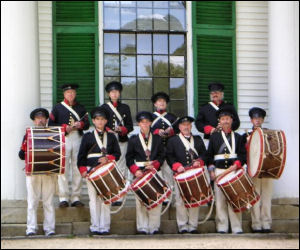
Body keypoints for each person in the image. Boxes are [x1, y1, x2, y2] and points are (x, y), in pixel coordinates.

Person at [77, 107, 121, 235]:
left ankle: (105, 227)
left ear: (106, 121)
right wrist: (83, 170)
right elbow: (81, 156)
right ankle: (95, 226)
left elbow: (117, 154)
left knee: (106, 198)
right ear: (94, 121)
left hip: (107, 171)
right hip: (91, 171)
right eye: (97, 119)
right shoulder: (87, 136)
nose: (100, 122)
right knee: (93, 199)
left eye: (102, 119)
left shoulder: (112, 137)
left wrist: (108, 158)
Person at [48, 83, 90, 208]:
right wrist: (64, 128)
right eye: (68, 93)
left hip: (77, 138)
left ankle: (76, 197)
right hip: (63, 139)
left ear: (75, 94)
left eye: (72, 92)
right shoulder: (57, 108)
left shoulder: (81, 108)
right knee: (63, 169)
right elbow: (51, 125)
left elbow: (87, 124)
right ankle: (63, 197)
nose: (70, 94)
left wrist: (80, 125)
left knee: (77, 168)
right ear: (64, 94)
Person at [206, 107, 246, 234]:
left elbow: (243, 154)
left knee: (235, 200)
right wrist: (211, 171)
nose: (225, 121)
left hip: (234, 171)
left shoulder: (239, 137)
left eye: (227, 119)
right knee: (220, 200)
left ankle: (236, 227)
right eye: (223, 119)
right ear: (219, 121)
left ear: (232, 120)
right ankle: (222, 227)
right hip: (219, 171)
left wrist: (238, 164)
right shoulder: (214, 137)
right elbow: (209, 156)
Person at [126, 111, 165, 235]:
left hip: (154, 171)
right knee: (141, 201)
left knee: (156, 199)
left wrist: (155, 165)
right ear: (139, 124)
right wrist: (135, 170)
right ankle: (142, 227)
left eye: (147, 122)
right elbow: (129, 158)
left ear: (150, 123)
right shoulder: (133, 139)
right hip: (140, 173)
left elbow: (162, 155)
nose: (145, 124)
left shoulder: (158, 139)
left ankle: (154, 227)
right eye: (142, 122)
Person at [18, 108, 56, 236]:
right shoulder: (28, 134)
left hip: (48, 171)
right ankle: (31, 228)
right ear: (34, 121)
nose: (40, 120)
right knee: (32, 201)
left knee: (48, 201)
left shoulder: (53, 134)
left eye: (42, 118)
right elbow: (21, 154)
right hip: (33, 171)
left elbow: (58, 152)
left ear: (46, 120)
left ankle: (50, 229)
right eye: (37, 118)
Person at [166, 116, 207, 234]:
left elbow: (204, 154)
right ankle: (182, 225)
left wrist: (200, 161)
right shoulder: (173, 140)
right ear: (179, 127)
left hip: (195, 173)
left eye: (188, 125)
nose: (186, 127)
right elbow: (169, 156)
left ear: (191, 126)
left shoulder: (198, 139)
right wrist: (176, 166)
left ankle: (193, 225)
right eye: (183, 125)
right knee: (180, 200)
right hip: (181, 174)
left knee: (195, 199)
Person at [100, 81, 133, 206]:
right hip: (108, 141)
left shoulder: (125, 108)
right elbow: (100, 123)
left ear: (119, 93)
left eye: (117, 92)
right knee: (108, 167)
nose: (115, 94)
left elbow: (129, 125)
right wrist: (109, 129)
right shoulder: (104, 108)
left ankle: (119, 195)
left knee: (121, 167)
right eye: (112, 92)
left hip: (121, 139)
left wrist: (123, 129)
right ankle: (110, 193)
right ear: (109, 94)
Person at [242, 107, 272, 233]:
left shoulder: (269, 134)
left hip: (266, 170)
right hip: (253, 171)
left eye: (259, 118)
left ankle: (266, 223)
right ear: (251, 120)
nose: (257, 120)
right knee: (255, 198)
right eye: (255, 118)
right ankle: (256, 224)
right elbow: (243, 153)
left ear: (263, 120)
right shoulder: (246, 135)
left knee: (266, 198)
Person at [150, 92, 178, 204]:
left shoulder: (172, 117)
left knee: (168, 172)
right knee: (157, 173)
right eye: (159, 101)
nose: (161, 103)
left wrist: (170, 131)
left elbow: (177, 131)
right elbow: (147, 130)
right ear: (155, 104)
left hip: (169, 148)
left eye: (163, 101)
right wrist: (157, 131)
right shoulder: (150, 117)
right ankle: (159, 195)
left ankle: (169, 196)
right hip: (156, 149)